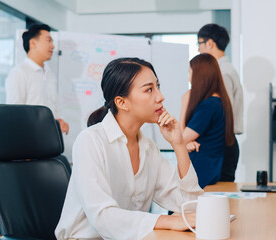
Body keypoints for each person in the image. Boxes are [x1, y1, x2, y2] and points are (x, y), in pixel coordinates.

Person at [55, 58, 204, 240]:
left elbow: (191, 206)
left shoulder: (148, 148)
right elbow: (103, 217)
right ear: (122, 102)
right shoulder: (90, 141)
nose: (160, 96)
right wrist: (168, 221)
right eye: (149, 89)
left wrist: (179, 145)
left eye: (158, 86)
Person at [180, 53, 235, 189]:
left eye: (190, 72)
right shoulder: (219, 101)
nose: (189, 78)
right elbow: (186, 139)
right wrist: (187, 142)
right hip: (212, 166)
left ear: (199, 76)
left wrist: (184, 104)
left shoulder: (208, 106)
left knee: (180, 207)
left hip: (204, 170)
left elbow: (180, 138)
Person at [197, 23, 243, 182]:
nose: (198, 50)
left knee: (219, 195)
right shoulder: (226, 69)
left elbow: (220, 113)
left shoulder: (222, 72)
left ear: (209, 43)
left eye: (199, 44)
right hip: (224, 142)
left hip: (221, 143)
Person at [5, 24, 69, 134]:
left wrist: (59, 120)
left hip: (50, 138)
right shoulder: (19, 73)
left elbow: (54, 107)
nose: (53, 46)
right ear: (33, 43)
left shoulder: (50, 75)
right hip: (29, 139)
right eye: (48, 40)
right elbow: (14, 114)